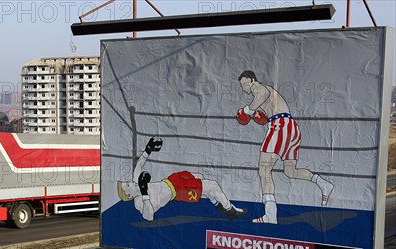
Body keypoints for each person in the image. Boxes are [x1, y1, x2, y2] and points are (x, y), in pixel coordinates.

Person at [237, 70, 334, 224]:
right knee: (290, 171)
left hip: (279, 126)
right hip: (292, 128)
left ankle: (270, 214)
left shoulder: (258, 87)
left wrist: (247, 111)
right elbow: (264, 114)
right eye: (242, 86)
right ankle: (323, 183)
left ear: (251, 79)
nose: (244, 88)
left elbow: (260, 96)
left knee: (264, 169)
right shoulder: (268, 96)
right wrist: (255, 115)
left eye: (244, 83)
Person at [117, 137, 247, 221]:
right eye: (127, 185)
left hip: (172, 179)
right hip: (178, 190)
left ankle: (218, 205)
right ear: (129, 195)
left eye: (127, 182)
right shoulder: (139, 202)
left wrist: (148, 149)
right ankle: (230, 210)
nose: (130, 183)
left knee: (201, 178)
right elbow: (149, 217)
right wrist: (145, 193)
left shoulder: (136, 181)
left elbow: (139, 164)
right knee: (212, 186)